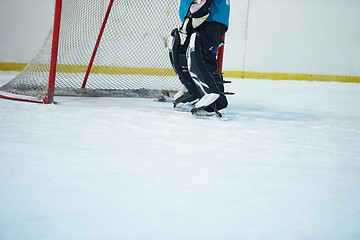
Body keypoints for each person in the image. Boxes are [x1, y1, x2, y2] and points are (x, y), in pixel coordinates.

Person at [170, 0, 231, 116]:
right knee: (188, 55)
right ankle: (196, 91)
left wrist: (202, 5)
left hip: (209, 17)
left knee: (203, 57)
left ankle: (218, 103)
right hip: (199, 18)